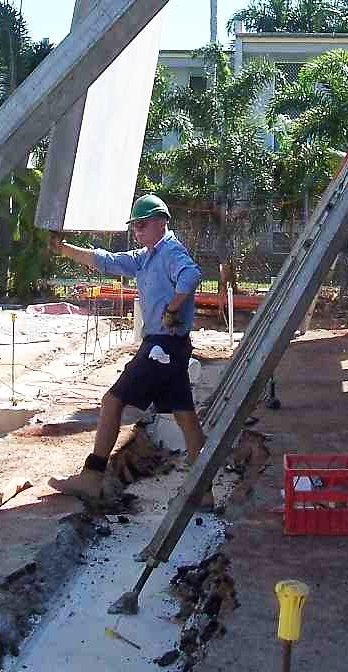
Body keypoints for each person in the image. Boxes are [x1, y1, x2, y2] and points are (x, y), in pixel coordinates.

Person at [47, 194, 213, 507]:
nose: (137, 231)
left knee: (112, 401)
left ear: (161, 222)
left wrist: (172, 307)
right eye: (134, 227)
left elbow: (191, 275)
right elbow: (106, 260)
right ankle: (204, 491)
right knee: (186, 418)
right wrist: (63, 248)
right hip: (171, 348)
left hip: (161, 347)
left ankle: (92, 477)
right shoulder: (147, 255)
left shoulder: (170, 251)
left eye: (142, 225)